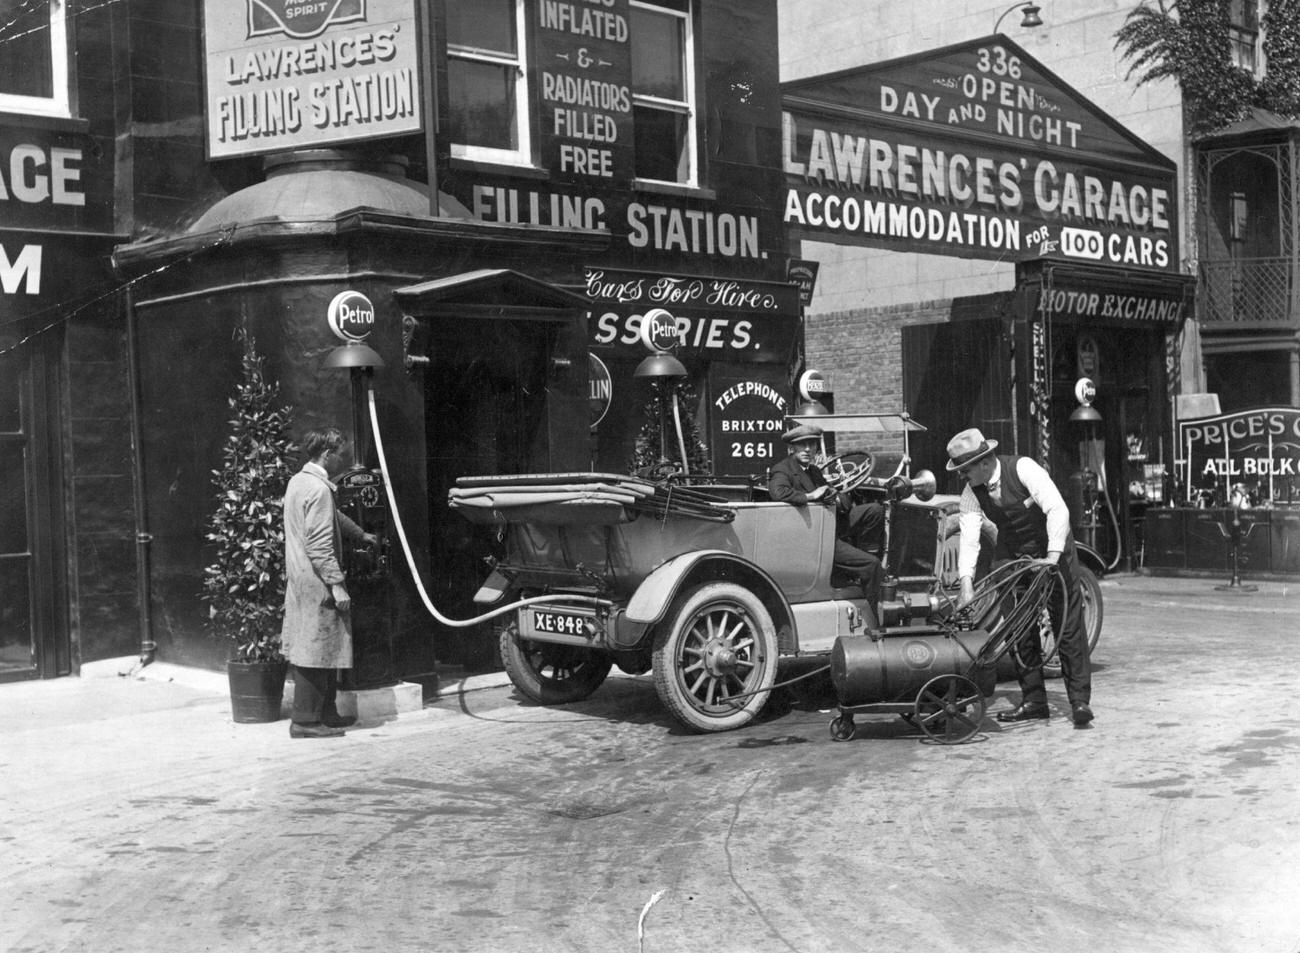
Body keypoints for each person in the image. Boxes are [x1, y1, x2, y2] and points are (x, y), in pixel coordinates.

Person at [947, 428, 1093, 726]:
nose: (963, 476)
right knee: (1018, 627)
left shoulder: (1024, 468)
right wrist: (965, 584)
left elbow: (1057, 509)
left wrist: (1051, 557)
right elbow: (970, 538)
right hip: (1012, 552)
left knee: (1067, 625)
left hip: (1052, 547)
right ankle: (1034, 701)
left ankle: (1079, 702)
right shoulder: (971, 493)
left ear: (985, 462)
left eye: (965, 470)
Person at [281, 427, 376, 738]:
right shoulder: (320, 489)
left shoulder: (300, 482)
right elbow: (319, 544)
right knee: (315, 648)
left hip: (300, 578)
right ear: (327, 454)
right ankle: (305, 722)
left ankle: (327, 713)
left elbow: (331, 517)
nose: (342, 460)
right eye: (340, 455)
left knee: (324, 645)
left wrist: (361, 535)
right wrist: (336, 584)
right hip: (317, 580)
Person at [768, 424, 884, 603]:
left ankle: (861, 561)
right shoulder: (783, 469)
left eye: (812, 445)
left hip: (830, 523)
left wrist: (837, 497)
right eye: (802, 445)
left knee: (875, 510)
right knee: (872, 565)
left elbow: (830, 493)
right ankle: (878, 608)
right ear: (791, 448)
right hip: (815, 536)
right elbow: (778, 492)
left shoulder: (813, 471)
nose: (808, 449)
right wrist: (809, 496)